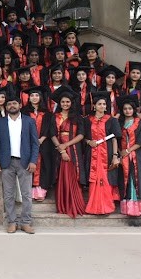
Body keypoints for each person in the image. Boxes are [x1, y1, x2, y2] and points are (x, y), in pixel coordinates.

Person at [0, 94, 39, 234]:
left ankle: (25, 222)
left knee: (26, 195)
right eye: (9, 104)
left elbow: (35, 144)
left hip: (24, 162)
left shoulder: (29, 121)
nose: (12, 106)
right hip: (6, 162)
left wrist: (33, 161)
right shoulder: (0, 122)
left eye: (14, 103)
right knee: (8, 194)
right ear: (6, 107)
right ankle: (12, 222)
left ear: (20, 105)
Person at [50, 86, 87, 218]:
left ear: (72, 103)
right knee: (62, 177)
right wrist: (61, 149)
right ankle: (63, 205)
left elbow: (81, 135)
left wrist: (66, 145)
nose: (65, 104)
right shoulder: (54, 117)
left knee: (74, 176)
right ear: (59, 103)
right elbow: (52, 134)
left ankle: (74, 204)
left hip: (74, 149)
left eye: (68, 102)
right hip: (59, 149)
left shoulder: (77, 117)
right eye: (63, 102)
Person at [83, 93, 121, 215]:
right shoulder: (87, 120)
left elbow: (115, 138)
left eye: (104, 104)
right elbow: (82, 136)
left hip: (107, 153)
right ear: (94, 106)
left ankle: (106, 206)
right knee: (94, 179)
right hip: (92, 153)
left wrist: (115, 156)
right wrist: (89, 141)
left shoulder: (112, 120)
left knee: (106, 179)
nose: (102, 106)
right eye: (99, 104)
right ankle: (94, 207)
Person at [117, 95, 141, 217]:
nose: (127, 111)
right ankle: (127, 208)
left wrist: (128, 151)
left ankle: (135, 209)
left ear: (134, 109)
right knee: (125, 181)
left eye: (130, 108)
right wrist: (120, 152)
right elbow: (116, 140)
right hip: (124, 156)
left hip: (137, 156)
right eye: (125, 109)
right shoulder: (119, 123)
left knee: (135, 179)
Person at [21, 86, 54, 201]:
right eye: (32, 95)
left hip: (43, 143)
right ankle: (29, 189)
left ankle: (40, 190)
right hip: (28, 143)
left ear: (40, 97)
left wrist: (42, 139)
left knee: (43, 164)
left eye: (36, 95)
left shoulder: (47, 113)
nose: (34, 98)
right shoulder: (23, 112)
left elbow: (50, 128)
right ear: (28, 98)